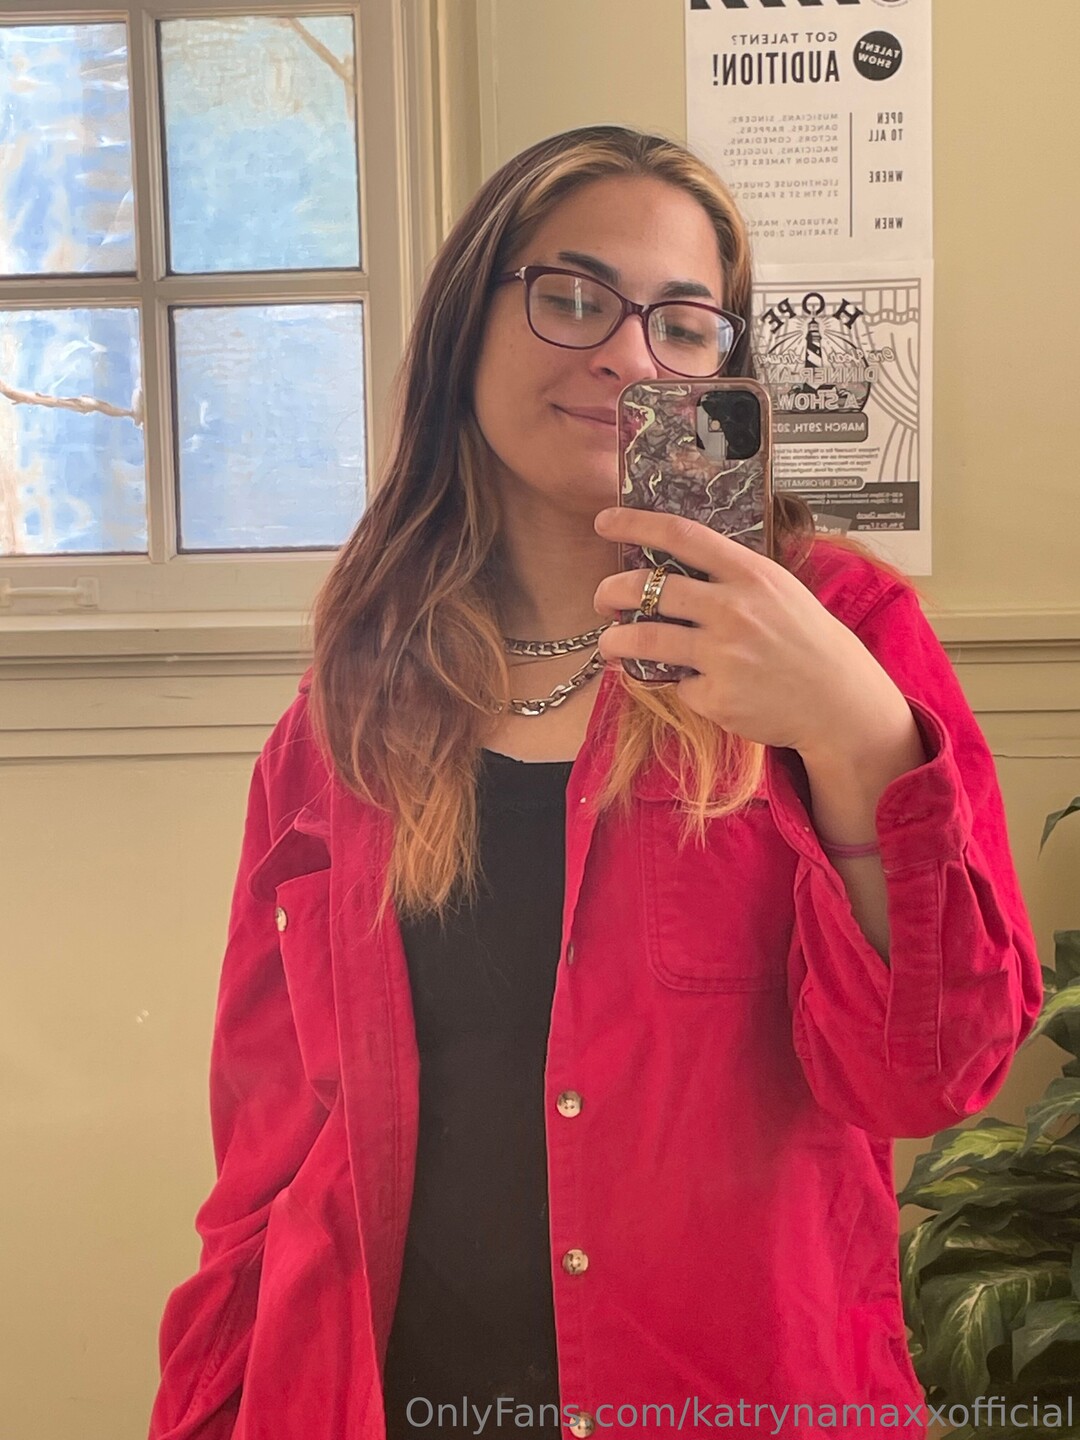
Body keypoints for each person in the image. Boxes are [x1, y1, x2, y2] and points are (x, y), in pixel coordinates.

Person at [148, 126, 1041, 1440]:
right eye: (572, 298)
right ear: (466, 325)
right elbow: (269, 1149)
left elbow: (932, 1079)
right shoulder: (357, 698)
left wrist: (858, 737)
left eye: (683, 324)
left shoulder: (841, 631)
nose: (628, 358)